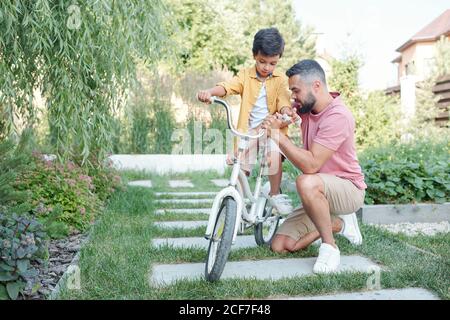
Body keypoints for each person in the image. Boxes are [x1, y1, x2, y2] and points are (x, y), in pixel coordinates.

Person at [261, 59, 367, 274]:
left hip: (347, 190)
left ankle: (330, 247)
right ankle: (338, 225)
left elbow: (311, 164)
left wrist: (277, 136)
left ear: (316, 86)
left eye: (296, 90)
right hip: (320, 190)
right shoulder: (305, 108)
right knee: (280, 246)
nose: (293, 97)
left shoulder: (338, 116)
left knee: (306, 181)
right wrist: (277, 119)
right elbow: (283, 118)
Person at [197, 27, 294, 214]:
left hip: (272, 130)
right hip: (249, 132)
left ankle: (274, 195)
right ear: (254, 55)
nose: (267, 67)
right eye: (262, 62)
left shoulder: (281, 79)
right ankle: (237, 209)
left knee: (272, 155)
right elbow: (228, 87)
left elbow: (283, 101)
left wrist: (286, 111)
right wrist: (209, 92)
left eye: (272, 63)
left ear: (278, 60)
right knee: (241, 169)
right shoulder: (245, 75)